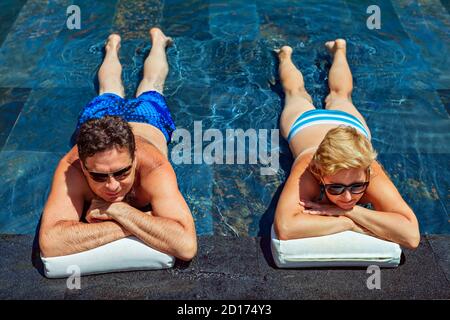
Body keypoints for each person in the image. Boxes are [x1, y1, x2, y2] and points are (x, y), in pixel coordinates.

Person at [39, 28, 197, 261]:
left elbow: (186, 247)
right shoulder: (70, 168)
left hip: (147, 118)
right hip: (100, 121)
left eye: (122, 172)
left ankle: (158, 42)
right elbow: (51, 244)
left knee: (152, 84)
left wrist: (118, 210)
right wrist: (138, 222)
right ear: (83, 167)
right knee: (109, 87)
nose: (112, 186)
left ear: (134, 159)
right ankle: (111, 48)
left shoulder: (153, 167)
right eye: (99, 176)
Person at [273, 39, 420, 249]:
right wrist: (348, 224)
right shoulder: (308, 167)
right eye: (336, 187)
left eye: (357, 186)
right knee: (301, 93)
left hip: (349, 126)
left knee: (332, 94)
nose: (348, 197)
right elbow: (286, 227)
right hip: (305, 124)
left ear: (366, 173)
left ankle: (339, 49)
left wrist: (349, 212)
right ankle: (284, 55)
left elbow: (411, 236)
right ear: (320, 174)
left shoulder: (368, 168)